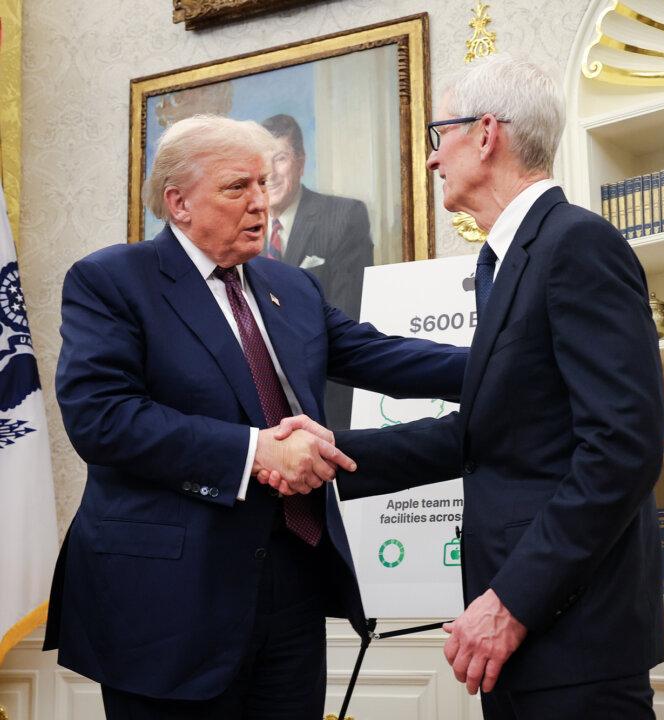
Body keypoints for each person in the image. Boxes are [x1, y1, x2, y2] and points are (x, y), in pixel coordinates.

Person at [274, 54, 664, 718]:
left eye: (439, 135)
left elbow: (623, 449)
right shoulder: (511, 260)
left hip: (570, 632)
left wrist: (513, 601)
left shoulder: (575, 245)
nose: (432, 160)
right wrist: (332, 454)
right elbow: (491, 433)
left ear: (486, 134)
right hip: (529, 632)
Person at [43, 115, 467, 720]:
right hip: (167, 604)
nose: (261, 203)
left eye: (264, 185)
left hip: (290, 584)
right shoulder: (111, 280)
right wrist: (256, 452)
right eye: (237, 187)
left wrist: (513, 361)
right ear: (178, 202)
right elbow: (101, 417)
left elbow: (382, 356)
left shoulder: (290, 287)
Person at [262, 113, 373, 430]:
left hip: (325, 398)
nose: (269, 173)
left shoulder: (342, 216)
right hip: (260, 410)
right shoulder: (240, 230)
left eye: (280, 158)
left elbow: (348, 311)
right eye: (262, 161)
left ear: (300, 161)